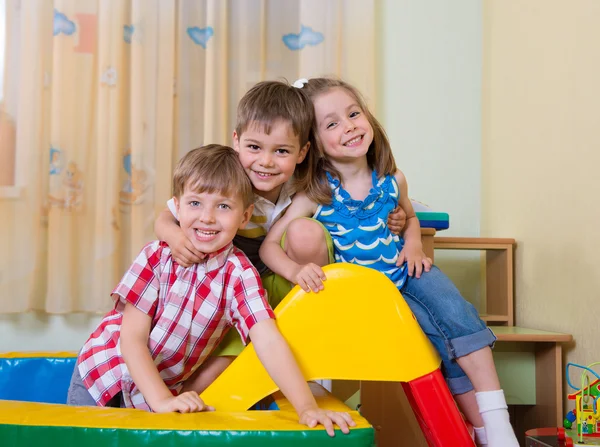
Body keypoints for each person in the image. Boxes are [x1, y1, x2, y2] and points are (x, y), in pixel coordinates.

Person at [258, 78, 519, 447]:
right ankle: (482, 426)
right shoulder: (317, 192)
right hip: (367, 297)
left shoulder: (393, 179)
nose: (348, 125)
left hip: (406, 275)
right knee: (435, 338)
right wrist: (295, 270)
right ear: (313, 144)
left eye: (353, 113)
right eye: (332, 123)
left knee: (453, 313)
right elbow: (270, 245)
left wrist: (414, 245)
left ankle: (495, 420)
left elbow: (411, 218)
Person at [67, 145, 354, 437]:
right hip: (104, 373)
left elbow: (268, 341)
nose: (207, 217)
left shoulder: (239, 275)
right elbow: (132, 340)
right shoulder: (156, 257)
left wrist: (306, 407)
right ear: (176, 207)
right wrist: (162, 400)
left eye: (224, 206)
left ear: (245, 217)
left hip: (158, 389)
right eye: (195, 204)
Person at [154, 80, 405, 391]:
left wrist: (397, 215)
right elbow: (167, 215)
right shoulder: (228, 178)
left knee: (305, 232)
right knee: (210, 379)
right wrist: (174, 236)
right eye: (254, 147)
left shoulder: (306, 180)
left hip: (289, 276)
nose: (266, 161)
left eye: (282, 151)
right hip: (235, 283)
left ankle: (311, 336)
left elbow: (366, 191)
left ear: (302, 152)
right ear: (237, 141)